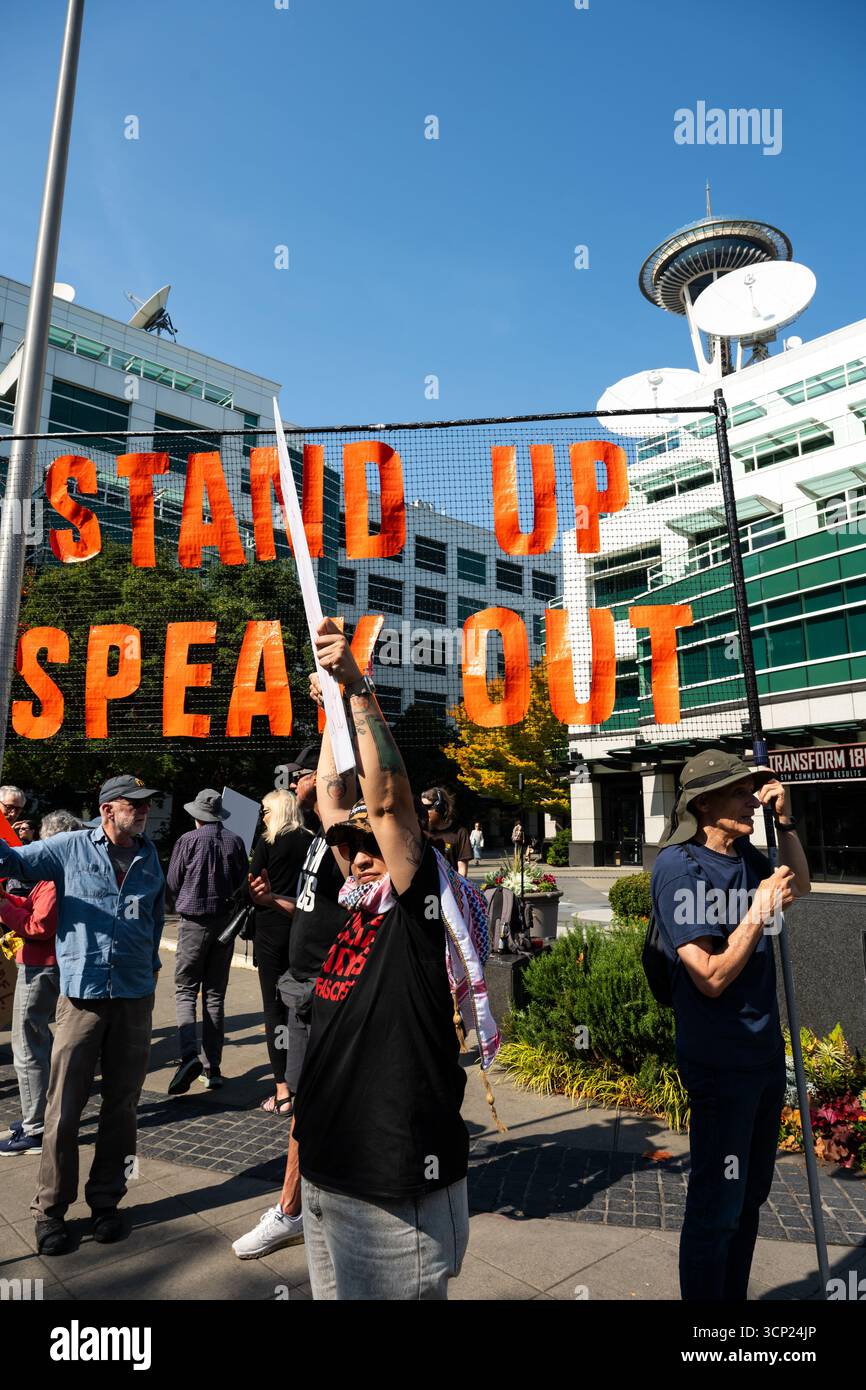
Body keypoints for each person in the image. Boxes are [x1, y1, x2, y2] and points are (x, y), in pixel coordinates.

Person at [292, 619, 472, 1300]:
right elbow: (337, 801)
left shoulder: (420, 906)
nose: (359, 852)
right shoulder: (356, 902)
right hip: (327, 1171)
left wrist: (356, 689)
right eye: (350, 845)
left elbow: (387, 801)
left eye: (374, 844)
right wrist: (328, 709)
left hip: (395, 1185)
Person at [650, 750, 810, 1302]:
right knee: (716, 1207)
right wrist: (759, 911)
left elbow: (802, 886)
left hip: (762, 1055)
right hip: (719, 1064)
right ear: (704, 805)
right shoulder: (679, 867)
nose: (750, 798)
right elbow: (711, 976)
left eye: (752, 789)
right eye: (739, 791)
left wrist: (784, 823)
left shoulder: (747, 854)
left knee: (747, 1201)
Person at [0, 774, 165, 1257]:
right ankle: (50, 1211)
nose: (144, 811)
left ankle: (108, 1201)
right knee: (64, 1109)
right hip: (83, 996)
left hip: (135, 995)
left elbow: (154, 916)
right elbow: (12, 859)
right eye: (134, 805)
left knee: (123, 1107)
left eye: (147, 805)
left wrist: (149, 962)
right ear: (108, 808)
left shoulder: (148, 854)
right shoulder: (70, 847)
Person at [232, 746, 353, 1259]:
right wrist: (267, 902)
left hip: (329, 989)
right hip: (302, 986)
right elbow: (303, 905)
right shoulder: (310, 843)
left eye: (309, 776)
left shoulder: (347, 842)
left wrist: (341, 696)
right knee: (309, 1104)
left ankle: (293, 1210)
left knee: (315, 1104)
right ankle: (301, 1208)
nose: (298, 782)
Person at [0, 811, 83, 1156]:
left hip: (41, 966)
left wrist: (4, 909)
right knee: (39, 1041)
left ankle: (35, 1126)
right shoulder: (63, 874)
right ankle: (38, 1115)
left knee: (27, 1044)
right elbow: (36, 910)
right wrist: (9, 903)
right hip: (49, 964)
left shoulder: (53, 878)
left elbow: (38, 926)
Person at [166, 789, 249, 1095]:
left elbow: (173, 882)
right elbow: (243, 883)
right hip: (225, 924)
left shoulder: (187, 841)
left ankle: (188, 1057)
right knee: (215, 995)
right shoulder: (236, 842)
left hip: (193, 923)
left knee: (185, 989)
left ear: (197, 815)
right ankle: (212, 1067)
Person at [247, 788, 313, 1115]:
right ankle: (306, 1081)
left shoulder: (268, 842)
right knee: (302, 1004)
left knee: (273, 1009)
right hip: (304, 931)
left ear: (277, 810)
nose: (262, 815)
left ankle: (282, 1089)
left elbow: (253, 883)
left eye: (265, 809)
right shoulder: (312, 841)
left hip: (271, 930)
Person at [421, 787, 472, 877]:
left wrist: (457, 890)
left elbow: (462, 869)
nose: (424, 811)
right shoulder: (420, 831)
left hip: (450, 888)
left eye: (428, 807)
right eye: (422, 807)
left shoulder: (460, 833)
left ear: (440, 807)